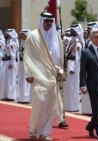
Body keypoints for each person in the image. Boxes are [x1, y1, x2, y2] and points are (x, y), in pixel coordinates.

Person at [23, 12, 65, 141]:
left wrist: (60, 71)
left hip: (51, 76)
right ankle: (32, 130)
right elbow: (28, 56)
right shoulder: (33, 36)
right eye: (46, 21)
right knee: (39, 103)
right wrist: (28, 73)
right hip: (37, 76)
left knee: (49, 105)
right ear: (41, 21)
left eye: (51, 21)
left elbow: (58, 57)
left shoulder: (56, 36)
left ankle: (45, 133)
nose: (49, 24)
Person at [63, 24, 83, 112]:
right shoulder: (72, 40)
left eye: (72, 30)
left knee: (73, 87)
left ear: (76, 31)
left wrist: (73, 68)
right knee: (68, 87)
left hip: (73, 67)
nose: (70, 31)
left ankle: (74, 106)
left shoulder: (77, 43)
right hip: (69, 64)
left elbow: (77, 57)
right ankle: (68, 105)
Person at [17, 29, 31, 104]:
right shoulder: (22, 43)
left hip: (27, 64)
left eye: (23, 35)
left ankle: (26, 98)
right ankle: (21, 97)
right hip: (22, 63)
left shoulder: (30, 43)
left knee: (26, 80)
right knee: (21, 79)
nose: (21, 36)